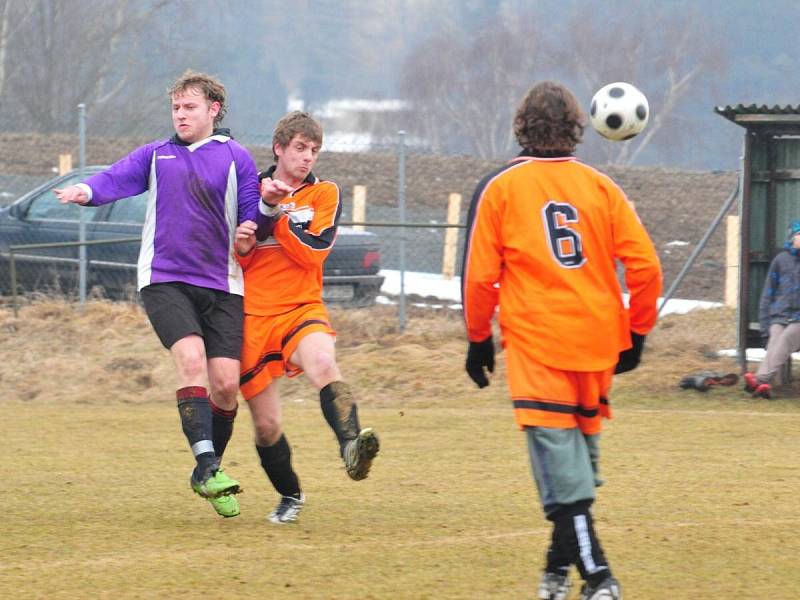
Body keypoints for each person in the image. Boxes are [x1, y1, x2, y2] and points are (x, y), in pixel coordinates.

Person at [461, 81, 662, 600]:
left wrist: (478, 338)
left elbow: (480, 277)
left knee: (563, 474)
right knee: (578, 468)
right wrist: (637, 331)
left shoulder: (500, 187)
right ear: (579, 126)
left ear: (520, 126)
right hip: (598, 343)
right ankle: (555, 574)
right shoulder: (601, 187)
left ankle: (599, 578)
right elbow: (645, 267)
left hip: (538, 343)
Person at [54, 69, 261, 519]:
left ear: (214, 110)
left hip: (223, 285)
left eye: (190, 107)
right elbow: (115, 179)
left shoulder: (237, 158)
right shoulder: (157, 154)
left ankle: (209, 469)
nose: (181, 115)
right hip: (164, 279)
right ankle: (207, 466)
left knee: (226, 387)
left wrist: (250, 229)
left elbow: (251, 217)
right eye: (176, 108)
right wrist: (85, 190)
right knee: (190, 362)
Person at [226, 111, 379, 524]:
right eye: (300, 148)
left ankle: (351, 445)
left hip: (301, 308)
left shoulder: (324, 193)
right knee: (267, 426)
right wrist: (244, 245)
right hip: (253, 315)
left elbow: (314, 252)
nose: (307, 157)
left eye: (314, 150)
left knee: (325, 363)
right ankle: (289, 494)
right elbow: (239, 254)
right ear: (279, 148)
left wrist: (274, 218)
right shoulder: (247, 188)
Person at [744, 219, 800, 399]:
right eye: (799, 235)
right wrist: (765, 327)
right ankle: (764, 385)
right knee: (775, 337)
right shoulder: (780, 260)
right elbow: (768, 295)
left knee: (785, 338)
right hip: (780, 316)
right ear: (791, 237)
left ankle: (760, 381)